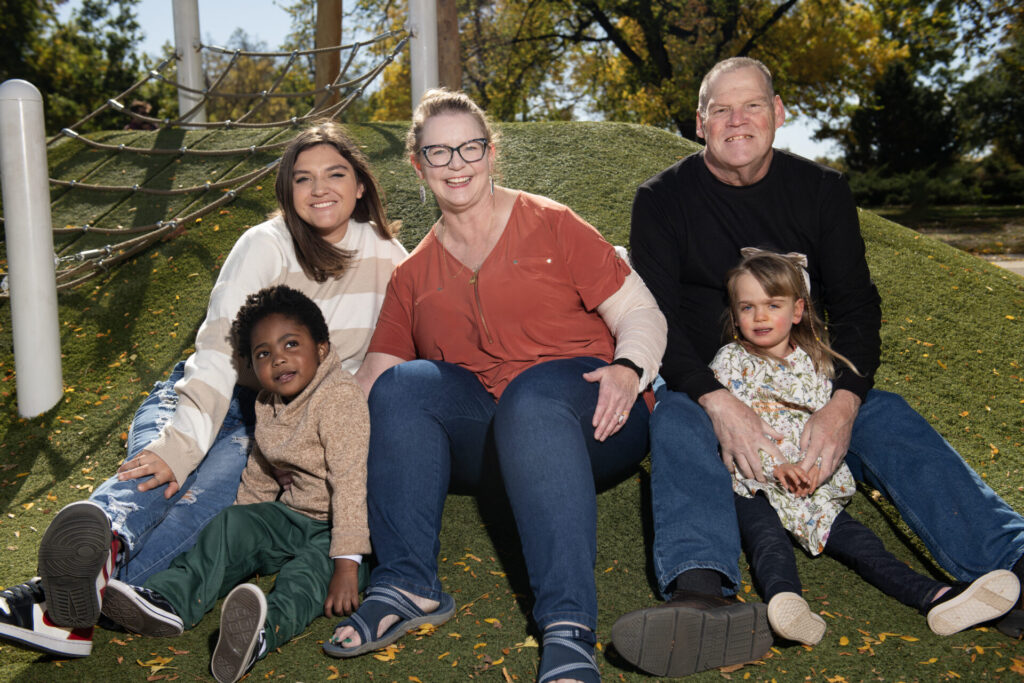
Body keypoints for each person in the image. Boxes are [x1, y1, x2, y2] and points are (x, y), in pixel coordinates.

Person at [611, 56, 1024, 677]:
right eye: (720, 109)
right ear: (700, 124)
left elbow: (857, 304)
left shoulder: (822, 190)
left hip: (802, 377)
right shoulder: (661, 200)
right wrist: (718, 402)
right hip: (705, 382)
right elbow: (656, 316)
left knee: (884, 414)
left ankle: (1012, 564)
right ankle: (701, 595)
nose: (737, 121)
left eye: (751, 105)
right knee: (676, 421)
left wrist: (844, 402)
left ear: (778, 113)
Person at [0, 121, 406, 658]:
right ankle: (95, 555)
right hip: (209, 393)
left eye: (335, 173)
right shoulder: (265, 244)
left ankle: (60, 610)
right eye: (303, 178)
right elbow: (217, 350)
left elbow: (405, 341)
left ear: (360, 185)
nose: (320, 188)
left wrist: (309, 436)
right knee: (159, 472)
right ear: (287, 192)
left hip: (277, 417)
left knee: (204, 508)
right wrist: (183, 443)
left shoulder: (389, 256)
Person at [324, 89, 667, 683]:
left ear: (490, 152)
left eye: (470, 148)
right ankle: (408, 585)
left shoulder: (551, 222)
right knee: (404, 386)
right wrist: (300, 436)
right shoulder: (412, 275)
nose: (456, 164)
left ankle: (567, 628)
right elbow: (372, 381)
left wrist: (629, 368)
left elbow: (641, 311)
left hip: (593, 414)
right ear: (418, 165)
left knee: (532, 397)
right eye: (439, 152)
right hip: (493, 432)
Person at [717, 248, 1019, 645]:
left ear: (796, 311)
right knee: (767, 539)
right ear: (735, 314)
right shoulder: (731, 361)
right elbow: (737, 424)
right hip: (754, 479)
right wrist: (775, 466)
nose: (759, 317)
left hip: (811, 485)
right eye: (747, 307)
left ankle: (936, 597)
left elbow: (829, 420)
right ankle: (786, 604)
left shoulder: (816, 361)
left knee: (861, 544)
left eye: (772, 305)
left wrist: (811, 468)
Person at [96, 285, 371, 683]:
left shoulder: (339, 398)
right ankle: (169, 601)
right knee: (229, 525)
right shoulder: (267, 402)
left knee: (307, 578)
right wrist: (242, 533)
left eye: (291, 344)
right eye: (264, 354)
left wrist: (348, 565)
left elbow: (350, 483)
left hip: (341, 530)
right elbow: (260, 467)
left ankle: (258, 635)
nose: (278, 358)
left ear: (323, 348)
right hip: (293, 515)